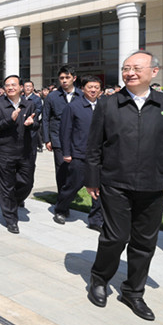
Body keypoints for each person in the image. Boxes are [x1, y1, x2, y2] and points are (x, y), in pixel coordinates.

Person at [85, 51, 163, 321]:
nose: (130, 73)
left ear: (154, 71)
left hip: (153, 184)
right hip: (115, 183)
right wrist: (92, 179)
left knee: (145, 242)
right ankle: (99, 279)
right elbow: (93, 146)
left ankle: (133, 291)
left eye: (136, 68)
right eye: (126, 68)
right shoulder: (108, 104)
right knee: (115, 237)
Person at [0, 75, 39, 234]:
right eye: (7, 85)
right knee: (6, 187)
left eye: (13, 85)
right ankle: (11, 219)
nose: (10, 88)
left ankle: (13, 201)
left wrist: (32, 124)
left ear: (21, 87)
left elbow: (37, 124)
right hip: (6, 152)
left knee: (27, 183)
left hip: (26, 152)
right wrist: (10, 120)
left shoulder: (29, 105)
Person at [53, 76, 104, 231]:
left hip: (100, 156)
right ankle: (61, 209)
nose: (93, 90)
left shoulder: (104, 106)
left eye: (96, 87)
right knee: (72, 185)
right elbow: (65, 131)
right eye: (90, 87)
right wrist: (66, 152)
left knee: (100, 188)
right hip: (79, 154)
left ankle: (96, 220)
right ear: (82, 89)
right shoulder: (73, 107)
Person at [43, 65, 81, 196]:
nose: (64, 80)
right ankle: (62, 197)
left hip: (78, 139)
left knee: (76, 169)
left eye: (67, 77)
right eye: (61, 78)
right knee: (61, 168)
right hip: (57, 138)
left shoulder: (82, 95)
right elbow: (46, 119)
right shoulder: (52, 97)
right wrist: (47, 139)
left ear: (74, 78)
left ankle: (71, 193)